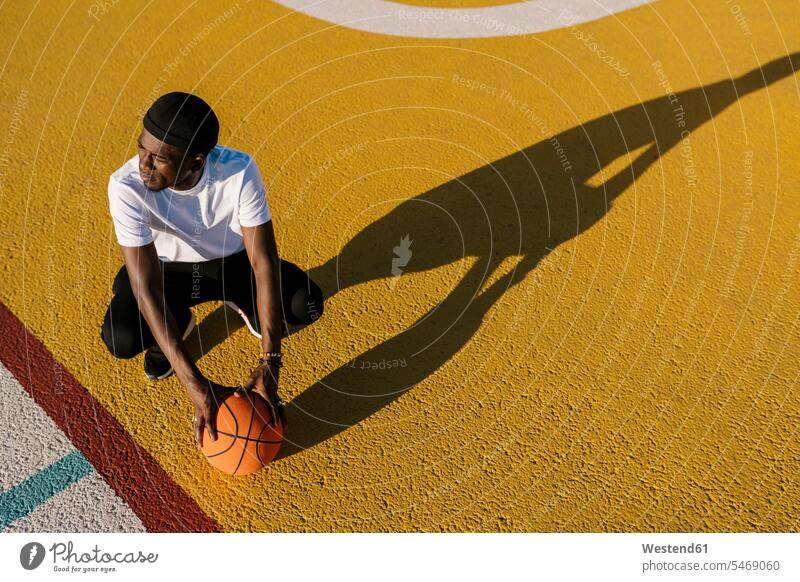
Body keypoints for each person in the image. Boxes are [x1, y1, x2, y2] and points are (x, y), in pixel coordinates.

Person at [100, 92, 324, 448]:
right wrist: (196, 384)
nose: (144, 164)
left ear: (196, 161)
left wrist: (271, 362)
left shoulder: (238, 170)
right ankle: (179, 321)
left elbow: (263, 263)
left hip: (231, 265)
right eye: (142, 149)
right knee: (122, 337)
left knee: (305, 304)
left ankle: (245, 303)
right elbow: (145, 288)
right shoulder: (126, 186)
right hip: (167, 273)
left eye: (159, 159)